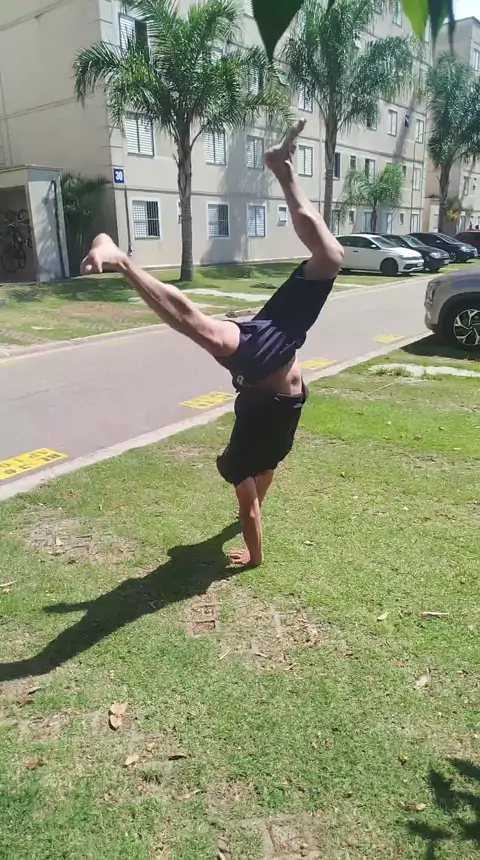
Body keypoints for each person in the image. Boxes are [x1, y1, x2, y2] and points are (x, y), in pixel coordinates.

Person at [81, 120, 343, 568]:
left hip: (267, 362)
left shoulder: (248, 460)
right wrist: (254, 547)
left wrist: (255, 554)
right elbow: (254, 499)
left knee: (202, 326)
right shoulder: (264, 455)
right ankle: (123, 259)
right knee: (330, 258)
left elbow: (250, 506)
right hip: (275, 361)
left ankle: (123, 259)